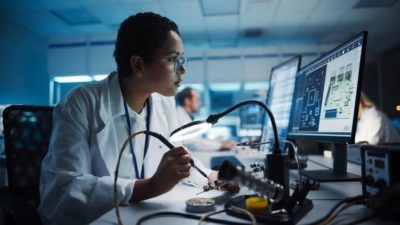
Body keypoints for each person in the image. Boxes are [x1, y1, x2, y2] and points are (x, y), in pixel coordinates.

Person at [38, 12, 238, 225]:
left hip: (144, 216)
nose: (183, 68)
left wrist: (210, 176)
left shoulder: (163, 102)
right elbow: (64, 190)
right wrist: (150, 187)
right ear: (138, 65)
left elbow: (180, 160)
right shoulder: (80, 103)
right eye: (173, 59)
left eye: (182, 59)